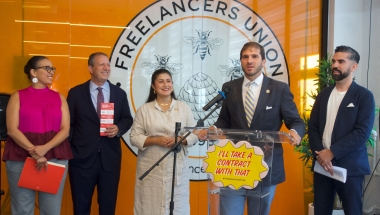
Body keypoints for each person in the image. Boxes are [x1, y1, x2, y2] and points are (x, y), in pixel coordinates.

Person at [198, 41, 305, 215]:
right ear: (240, 61)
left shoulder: (279, 89)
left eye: (254, 56)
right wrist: (213, 129)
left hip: (265, 165)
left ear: (263, 61)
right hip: (234, 164)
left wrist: (295, 132)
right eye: (245, 57)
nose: (249, 60)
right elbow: (224, 120)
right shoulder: (229, 87)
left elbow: (296, 121)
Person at [308, 45, 375, 215]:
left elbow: (362, 132)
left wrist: (332, 152)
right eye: (334, 61)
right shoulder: (324, 94)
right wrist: (320, 155)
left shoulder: (364, 96)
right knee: (321, 211)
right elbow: (313, 126)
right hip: (322, 166)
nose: (335, 65)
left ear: (354, 66)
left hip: (350, 168)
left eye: (341, 61)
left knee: (352, 211)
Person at [2, 56, 73, 215]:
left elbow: (65, 130)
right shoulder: (17, 96)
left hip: (54, 157)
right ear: (33, 72)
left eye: (52, 68)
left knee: (51, 210)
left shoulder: (59, 98)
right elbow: (12, 130)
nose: (51, 72)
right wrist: (34, 151)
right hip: (20, 157)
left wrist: (44, 149)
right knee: (22, 210)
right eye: (46, 68)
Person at [67, 52, 133, 215]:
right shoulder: (76, 93)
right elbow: (68, 125)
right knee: (81, 208)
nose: (106, 68)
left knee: (108, 208)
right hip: (81, 161)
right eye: (101, 64)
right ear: (90, 68)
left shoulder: (119, 93)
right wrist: (72, 151)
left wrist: (118, 128)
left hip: (109, 160)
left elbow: (127, 119)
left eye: (108, 64)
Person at [130, 68, 198, 215]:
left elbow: (194, 135)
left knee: (177, 209)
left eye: (168, 81)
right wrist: (156, 140)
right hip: (151, 169)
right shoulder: (144, 110)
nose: (165, 84)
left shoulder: (183, 108)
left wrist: (180, 140)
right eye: (161, 81)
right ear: (154, 86)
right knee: (149, 208)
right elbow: (134, 137)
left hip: (177, 170)